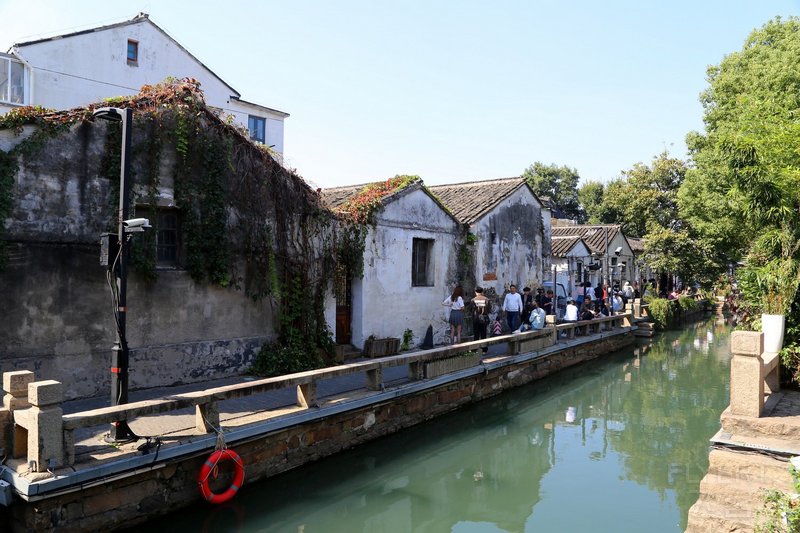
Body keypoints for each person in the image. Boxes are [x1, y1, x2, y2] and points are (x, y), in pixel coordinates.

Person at [470, 287, 491, 352]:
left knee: (476, 334)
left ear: (475, 292)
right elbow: (489, 309)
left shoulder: (473, 300)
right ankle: (484, 349)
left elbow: (471, 310)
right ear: (482, 292)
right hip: (484, 318)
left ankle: (474, 349)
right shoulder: (487, 299)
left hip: (476, 318)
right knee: (483, 334)